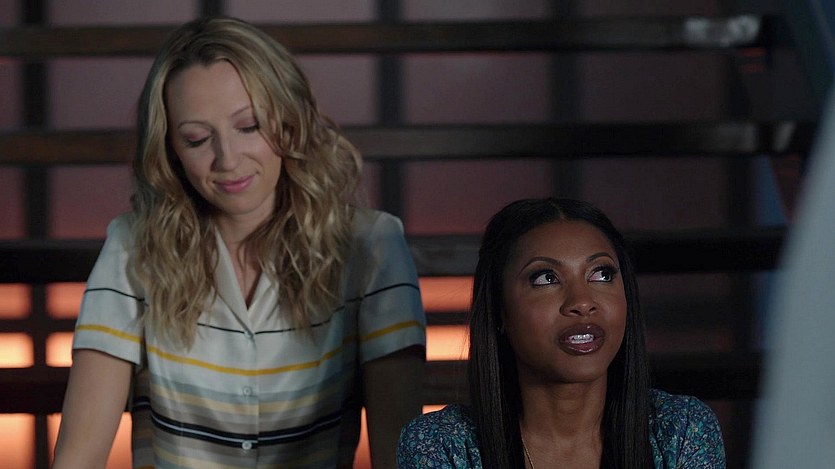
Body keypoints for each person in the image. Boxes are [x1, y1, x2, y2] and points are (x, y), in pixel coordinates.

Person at [52, 16, 425, 469]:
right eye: (197, 139)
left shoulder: (372, 247)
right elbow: (78, 457)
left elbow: (399, 454)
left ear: (289, 121)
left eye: (249, 126)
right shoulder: (133, 247)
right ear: (170, 149)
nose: (227, 159)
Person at [397, 198, 725, 468]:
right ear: (499, 310)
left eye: (602, 274)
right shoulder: (441, 445)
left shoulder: (680, 430)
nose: (582, 302)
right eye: (546, 278)